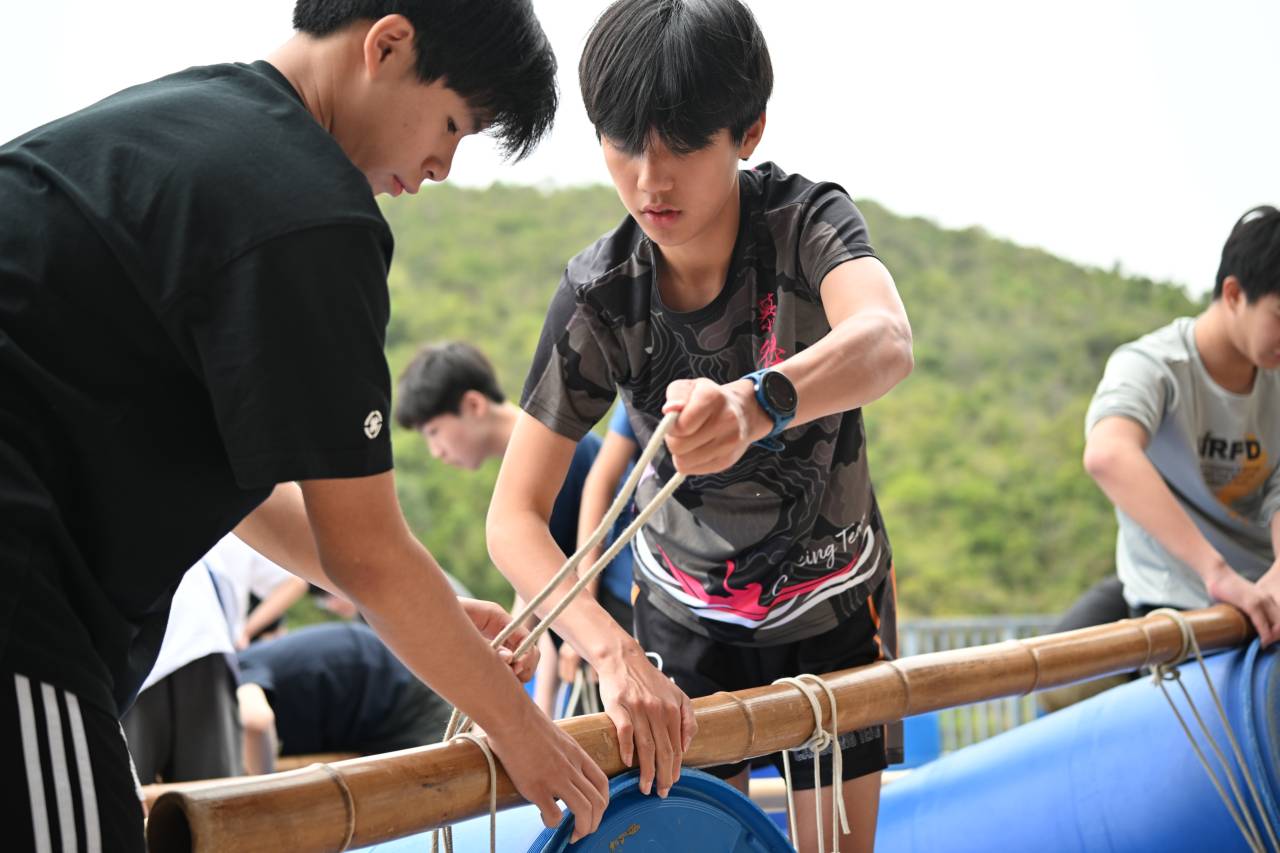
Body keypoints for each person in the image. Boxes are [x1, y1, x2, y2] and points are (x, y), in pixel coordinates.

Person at [0, 3, 611, 850]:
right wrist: (526, 732)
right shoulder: (310, 210)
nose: (441, 167)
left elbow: (267, 501)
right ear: (388, 45)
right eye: (452, 124)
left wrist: (430, 605)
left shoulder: (182, 121)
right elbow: (368, 552)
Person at [487, 2, 914, 850]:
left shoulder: (806, 223)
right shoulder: (601, 294)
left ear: (748, 131)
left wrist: (758, 402)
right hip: (681, 621)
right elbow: (512, 518)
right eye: (623, 141)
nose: (650, 178)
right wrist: (610, 652)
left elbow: (887, 340)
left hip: (830, 600)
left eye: (681, 143)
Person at [1083, 206, 1280, 646]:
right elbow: (1108, 453)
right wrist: (1217, 574)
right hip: (1175, 610)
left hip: (1266, 604)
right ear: (1234, 294)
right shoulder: (1153, 366)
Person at [393, 340, 612, 715]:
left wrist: (540, 711)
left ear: (473, 405)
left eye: (434, 431)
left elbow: (553, 597)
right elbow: (532, 594)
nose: (436, 451)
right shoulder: (530, 470)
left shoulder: (558, 456)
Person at [237, 622, 454, 775]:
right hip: (379, 692)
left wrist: (262, 793)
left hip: (400, 697)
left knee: (446, 781)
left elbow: (255, 721)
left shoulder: (234, 674)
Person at [559, 403, 642, 688]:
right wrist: (586, 619)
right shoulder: (639, 398)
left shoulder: (580, 449)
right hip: (625, 593)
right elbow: (601, 482)